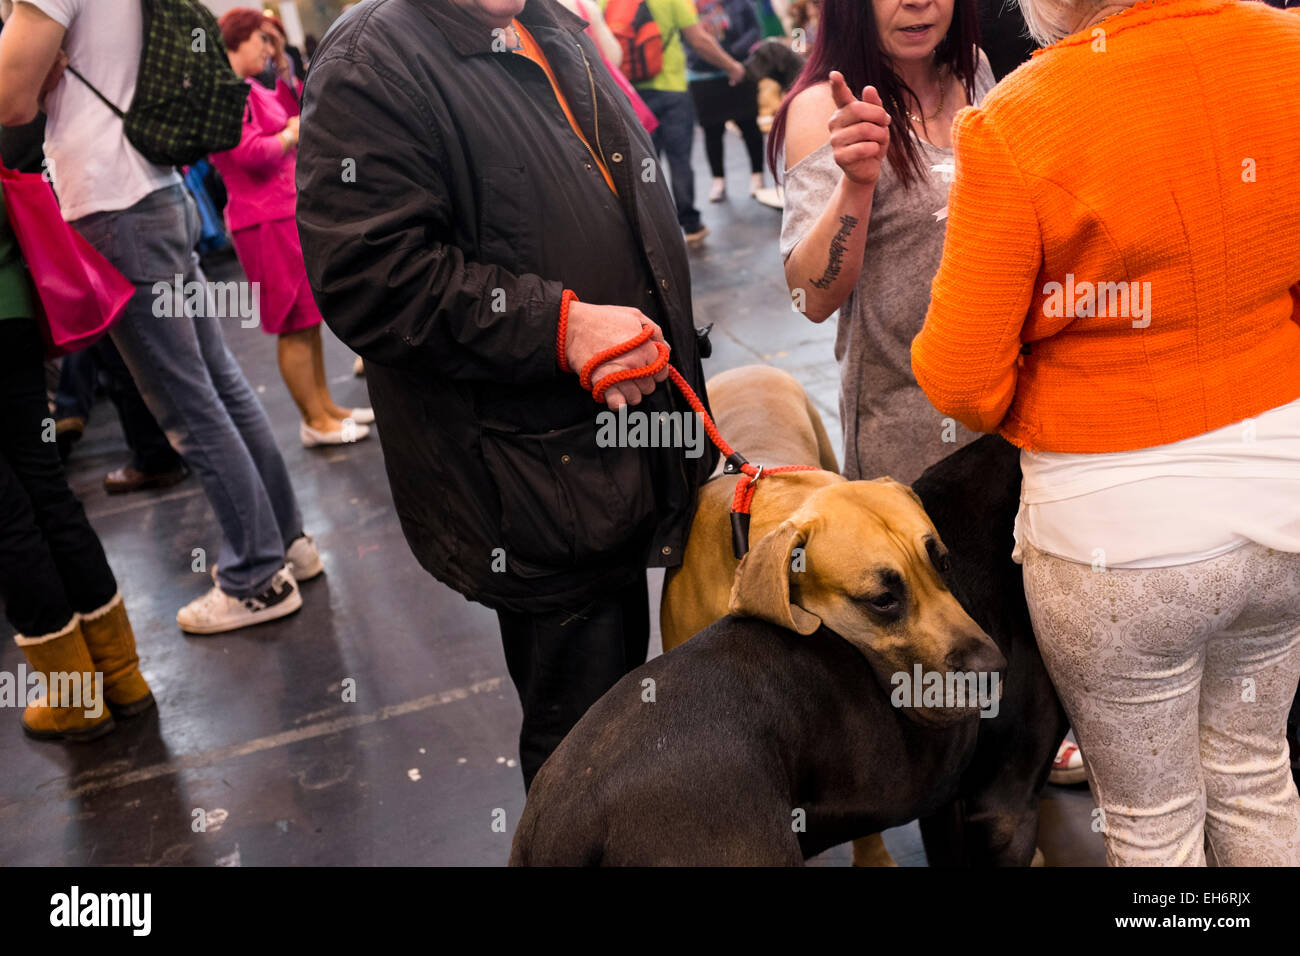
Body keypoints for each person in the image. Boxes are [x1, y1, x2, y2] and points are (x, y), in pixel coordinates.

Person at [911, 0, 1300, 865]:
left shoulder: (1017, 119)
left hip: (1116, 539)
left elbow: (961, 379)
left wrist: (1056, 403)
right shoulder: (1290, 53)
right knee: (1257, 771)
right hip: (1286, 493)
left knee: (1153, 820)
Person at [296, 0, 716, 789]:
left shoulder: (548, 22)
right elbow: (369, 277)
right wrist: (557, 326)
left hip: (620, 449)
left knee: (634, 730)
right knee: (584, 756)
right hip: (537, 486)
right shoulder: (372, 58)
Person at [0, 0, 323, 635]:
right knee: (218, 382)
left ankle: (257, 577)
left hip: (112, 199)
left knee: (187, 403)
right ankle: (286, 544)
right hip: (154, 187)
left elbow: (11, 99)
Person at [773, 0, 992, 486]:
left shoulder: (974, 71)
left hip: (1000, 411)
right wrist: (856, 184)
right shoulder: (821, 109)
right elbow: (808, 297)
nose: (918, 2)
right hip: (905, 437)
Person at [0, 187, 154, 742]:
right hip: (11, 314)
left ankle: (75, 698)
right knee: (48, 491)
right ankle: (121, 676)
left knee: (8, 520)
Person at [211, 9, 372, 448]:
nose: (267, 50)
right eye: (261, 41)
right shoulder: (226, 94)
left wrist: (286, 125)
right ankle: (313, 421)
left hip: (280, 213)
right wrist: (290, 134)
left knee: (307, 318)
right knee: (291, 324)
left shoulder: (245, 89)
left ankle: (324, 408)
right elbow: (246, 153)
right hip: (261, 220)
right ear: (237, 40)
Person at [634, 0, 749, 245]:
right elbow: (699, 40)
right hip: (672, 90)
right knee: (679, 160)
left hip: (632, 96)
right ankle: (690, 224)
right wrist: (732, 66)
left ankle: (652, 229)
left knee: (646, 162)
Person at [687, 0, 766, 203]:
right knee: (712, 132)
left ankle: (757, 177)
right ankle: (718, 181)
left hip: (740, 72)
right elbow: (687, 39)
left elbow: (755, 30)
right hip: (703, 77)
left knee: (749, 125)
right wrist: (714, 57)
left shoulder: (740, 3)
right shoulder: (689, 4)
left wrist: (732, 54)